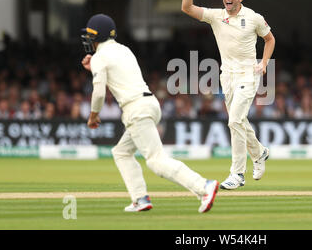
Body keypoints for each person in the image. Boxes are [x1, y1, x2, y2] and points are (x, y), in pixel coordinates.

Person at [80, 13, 218, 212]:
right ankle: (140, 199)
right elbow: (118, 74)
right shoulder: (123, 50)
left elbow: (99, 92)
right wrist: (93, 66)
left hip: (136, 109)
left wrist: (93, 115)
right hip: (149, 104)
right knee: (121, 152)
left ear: (95, 36)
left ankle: (204, 186)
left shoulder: (100, 57)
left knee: (156, 160)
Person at [182, 0, 276, 190]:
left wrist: (264, 63)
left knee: (234, 120)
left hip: (248, 74)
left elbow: (270, 39)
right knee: (239, 120)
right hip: (227, 76)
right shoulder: (216, 16)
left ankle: (237, 174)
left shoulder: (254, 17)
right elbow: (186, 8)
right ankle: (259, 152)